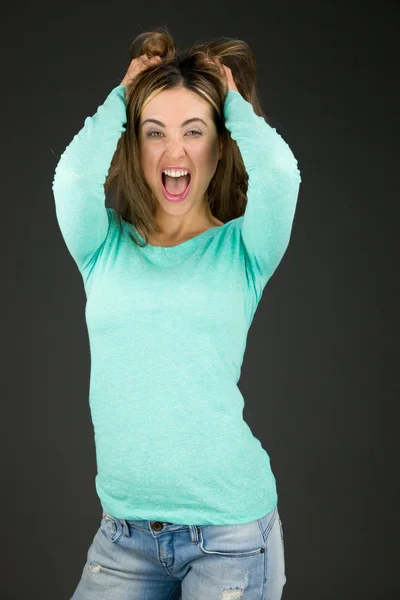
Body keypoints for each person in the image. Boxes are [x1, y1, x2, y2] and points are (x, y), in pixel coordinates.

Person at [53, 27, 301, 600]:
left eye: (194, 132)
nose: (174, 152)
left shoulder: (243, 251)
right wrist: (123, 94)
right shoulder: (102, 248)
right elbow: (70, 177)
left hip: (230, 537)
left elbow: (281, 176)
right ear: (133, 144)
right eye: (154, 132)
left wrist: (229, 99)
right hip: (123, 538)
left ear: (219, 144)